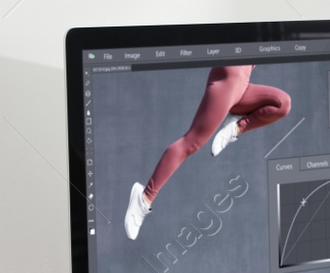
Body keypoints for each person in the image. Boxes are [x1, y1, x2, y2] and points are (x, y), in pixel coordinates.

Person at [124, 64, 290, 240]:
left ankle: (235, 127)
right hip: (227, 81)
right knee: (191, 143)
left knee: (282, 103)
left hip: (241, 87)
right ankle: (144, 198)